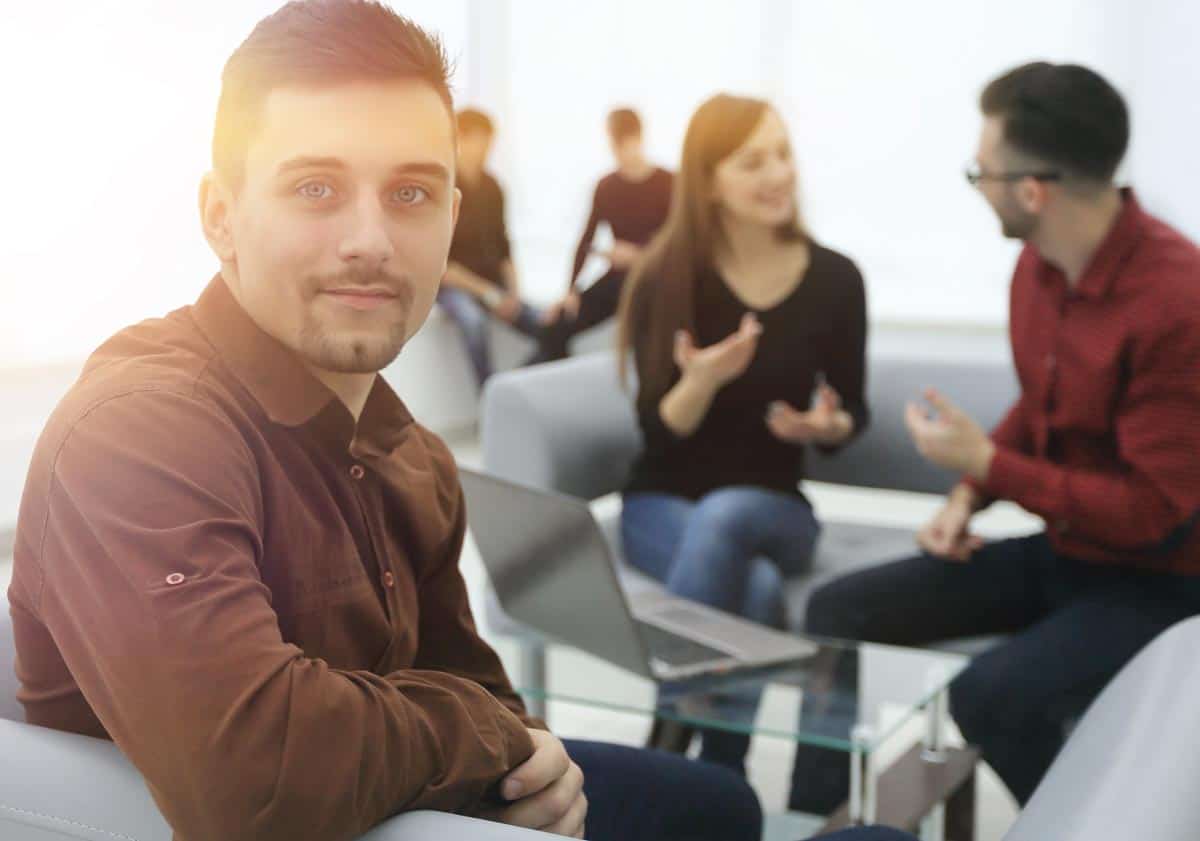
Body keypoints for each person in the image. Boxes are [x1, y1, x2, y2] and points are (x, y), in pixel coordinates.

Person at [6, 4, 770, 839]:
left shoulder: (414, 454)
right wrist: (487, 734)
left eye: (411, 191)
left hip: (423, 807)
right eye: (315, 188)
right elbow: (254, 776)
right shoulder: (138, 431)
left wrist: (529, 751)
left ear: (450, 215)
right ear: (221, 216)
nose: (369, 239)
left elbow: (478, 686)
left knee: (719, 806)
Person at [792, 61, 1200, 814]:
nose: (978, 182)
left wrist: (989, 461)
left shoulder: (1178, 300)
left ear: (1031, 190)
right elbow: (1044, 410)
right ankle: (816, 828)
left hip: (1164, 582)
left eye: (981, 169)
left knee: (989, 697)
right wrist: (968, 492)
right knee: (836, 612)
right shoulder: (1036, 268)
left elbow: (1154, 511)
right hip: (1069, 552)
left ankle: (1100, 826)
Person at [616, 93, 870, 775]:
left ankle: (664, 748)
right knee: (753, 590)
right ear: (708, 182)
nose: (778, 173)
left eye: (783, 154)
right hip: (657, 504)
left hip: (776, 507)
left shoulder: (836, 279)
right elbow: (656, 435)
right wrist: (701, 380)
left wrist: (828, 423)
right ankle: (720, 783)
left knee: (729, 514)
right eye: (752, 160)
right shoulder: (664, 276)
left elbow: (853, 414)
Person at [533, 108, 673, 363]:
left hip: (656, 280)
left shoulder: (669, 182)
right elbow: (586, 239)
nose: (619, 151)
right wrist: (571, 290)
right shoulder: (607, 186)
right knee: (555, 328)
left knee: (647, 342)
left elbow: (678, 240)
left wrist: (637, 255)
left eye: (623, 142)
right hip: (617, 281)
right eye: (614, 143)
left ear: (639, 138)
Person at [441, 107, 541, 385]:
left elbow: (503, 246)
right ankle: (490, 396)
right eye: (480, 141)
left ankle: (513, 387)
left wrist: (514, 294)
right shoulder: (443, 188)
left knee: (548, 326)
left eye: (489, 143)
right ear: (460, 139)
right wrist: (490, 295)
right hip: (455, 287)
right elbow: (441, 267)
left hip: (492, 284)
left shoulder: (493, 187)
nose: (486, 150)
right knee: (474, 322)